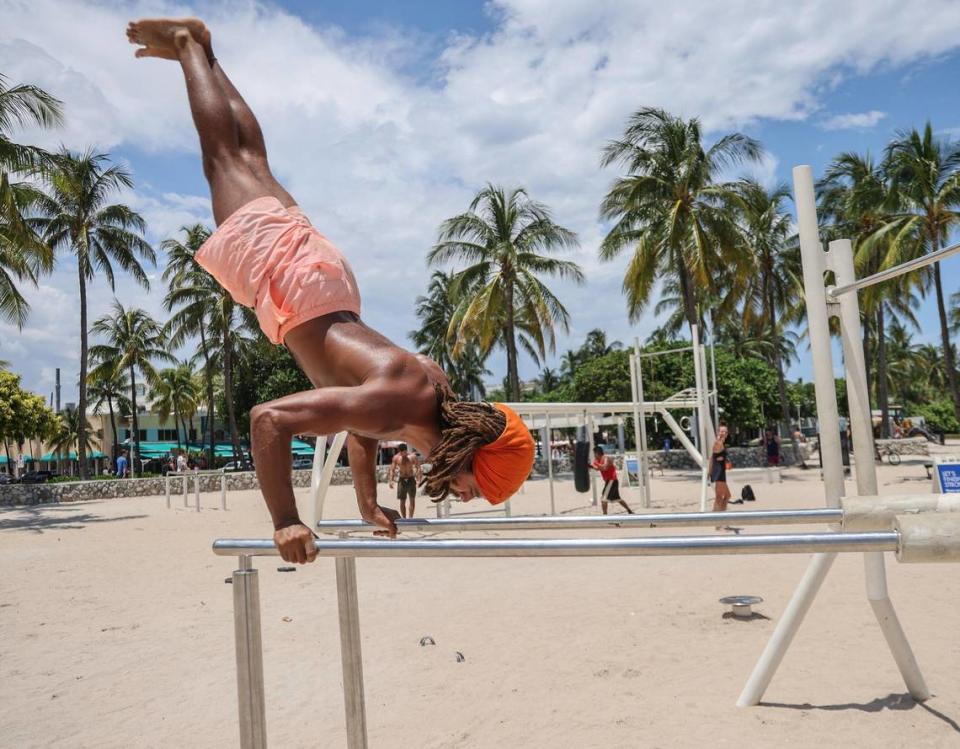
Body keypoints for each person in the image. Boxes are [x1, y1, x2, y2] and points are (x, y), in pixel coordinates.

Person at [126, 18, 534, 563]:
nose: (466, 495)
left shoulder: (426, 405)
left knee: (252, 163)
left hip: (325, 284)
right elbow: (268, 419)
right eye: (477, 486)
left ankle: (204, 49)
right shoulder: (405, 402)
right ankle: (186, 47)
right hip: (295, 282)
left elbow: (361, 425)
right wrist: (286, 521)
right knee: (222, 159)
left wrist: (367, 503)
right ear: (472, 455)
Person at [590, 447, 634, 515]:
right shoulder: (597, 460)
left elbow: (604, 468)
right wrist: (589, 466)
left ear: (597, 453)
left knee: (603, 498)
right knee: (617, 499)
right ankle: (629, 511)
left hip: (612, 481)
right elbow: (597, 468)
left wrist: (596, 464)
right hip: (611, 481)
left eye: (594, 453)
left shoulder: (606, 458)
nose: (594, 455)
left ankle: (605, 515)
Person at [388, 444, 422, 518]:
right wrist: (391, 480)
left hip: (411, 479)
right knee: (402, 500)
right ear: (399, 451)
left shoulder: (412, 457)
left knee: (412, 499)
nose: (402, 454)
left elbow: (418, 467)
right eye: (401, 453)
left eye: (403, 452)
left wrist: (419, 479)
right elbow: (392, 469)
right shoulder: (396, 458)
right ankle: (404, 518)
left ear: (406, 451)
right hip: (402, 479)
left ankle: (410, 518)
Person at [709, 425, 732, 521]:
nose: (723, 433)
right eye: (721, 431)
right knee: (722, 496)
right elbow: (714, 453)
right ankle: (719, 519)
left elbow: (712, 458)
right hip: (718, 473)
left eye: (725, 432)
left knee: (724, 496)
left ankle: (717, 517)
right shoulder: (718, 443)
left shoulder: (721, 443)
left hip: (720, 472)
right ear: (718, 432)